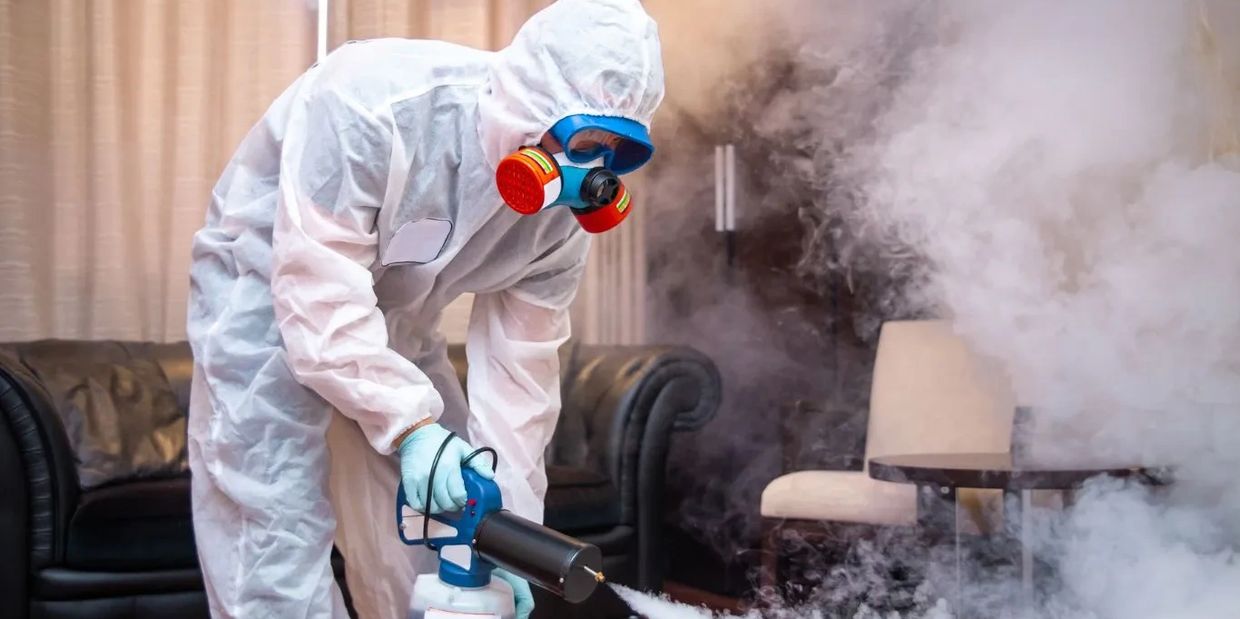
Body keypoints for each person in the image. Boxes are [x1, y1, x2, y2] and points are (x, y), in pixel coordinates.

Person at [184, 0, 664, 617]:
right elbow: (317, 287)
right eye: (581, 140)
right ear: (530, 101)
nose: (589, 172)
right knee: (272, 520)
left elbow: (522, 383)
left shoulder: (559, 226)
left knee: (443, 522)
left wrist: (512, 540)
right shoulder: (373, 103)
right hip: (265, 298)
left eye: (613, 151)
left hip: (395, 326)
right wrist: (408, 424)